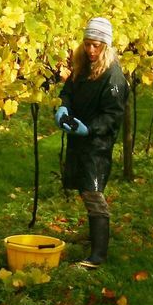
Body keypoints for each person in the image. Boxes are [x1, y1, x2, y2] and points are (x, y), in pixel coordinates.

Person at [55, 17, 128, 269]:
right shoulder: (82, 66)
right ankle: (93, 240)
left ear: (106, 46)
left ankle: (98, 255)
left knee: (93, 192)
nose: (91, 50)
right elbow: (68, 91)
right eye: (87, 44)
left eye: (96, 45)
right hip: (79, 140)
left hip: (98, 143)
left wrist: (90, 129)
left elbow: (113, 115)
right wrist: (64, 107)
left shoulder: (113, 76)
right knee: (85, 189)